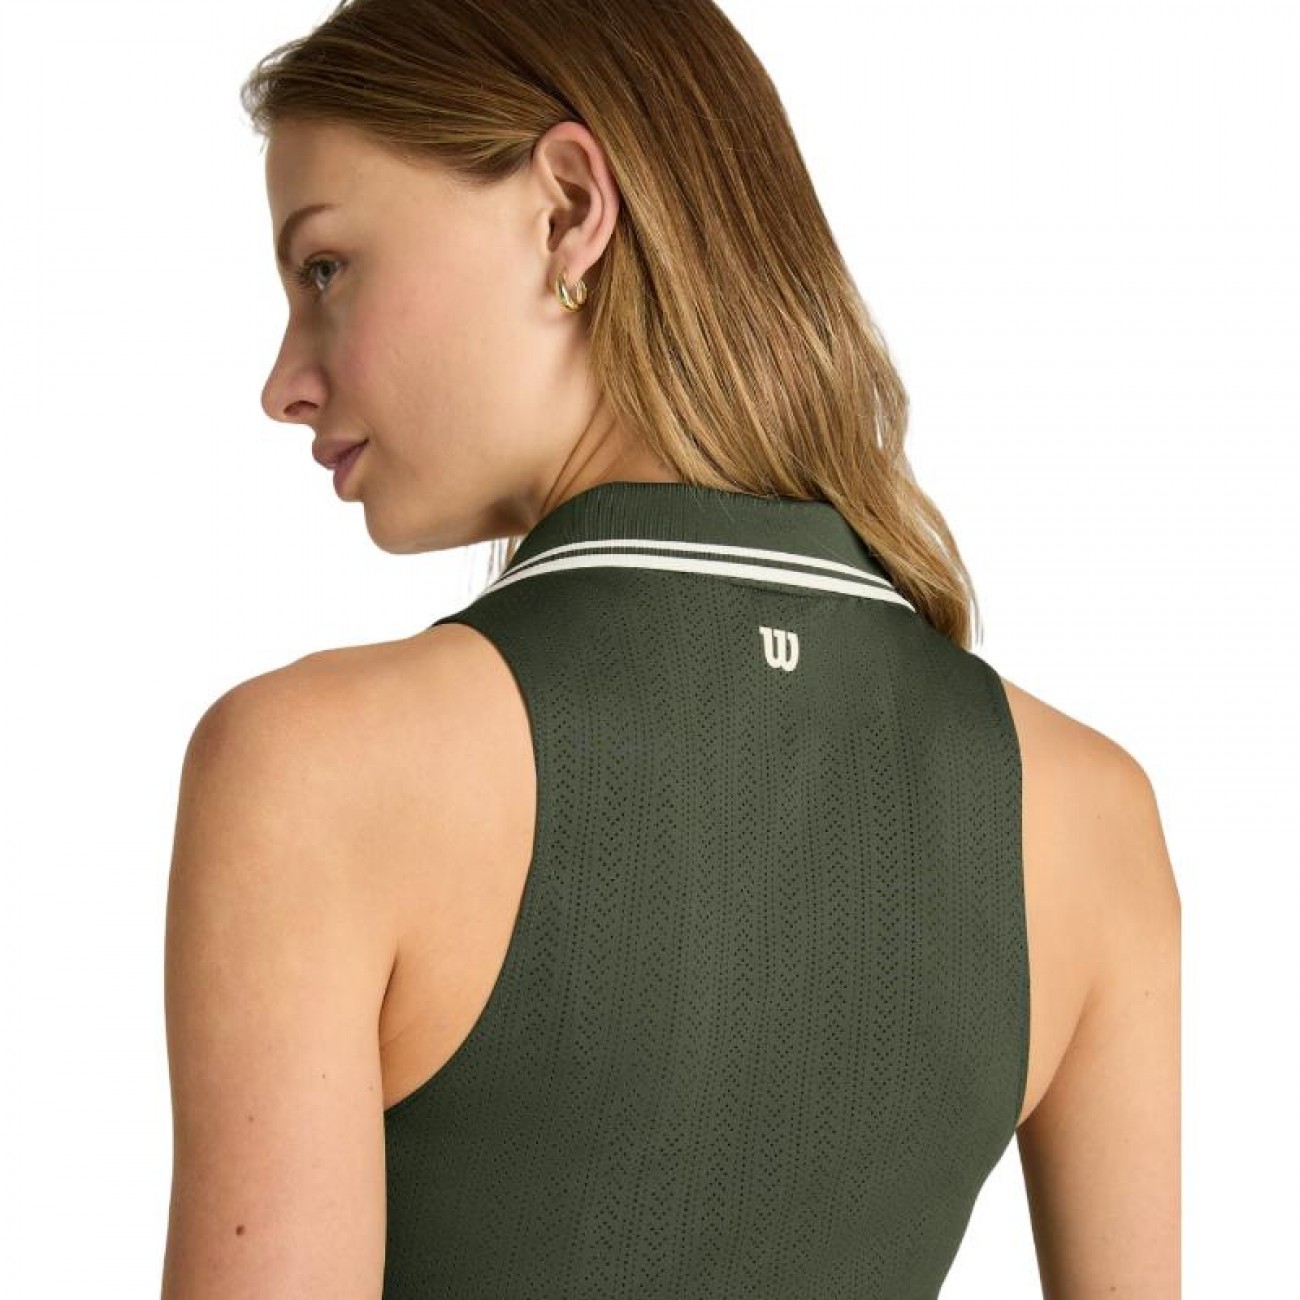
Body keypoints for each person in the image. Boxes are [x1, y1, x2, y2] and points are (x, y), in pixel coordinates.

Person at [160, 2, 1181, 1296]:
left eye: (325, 269)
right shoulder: (1090, 813)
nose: (285, 382)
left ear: (568, 211)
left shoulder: (314, 769)